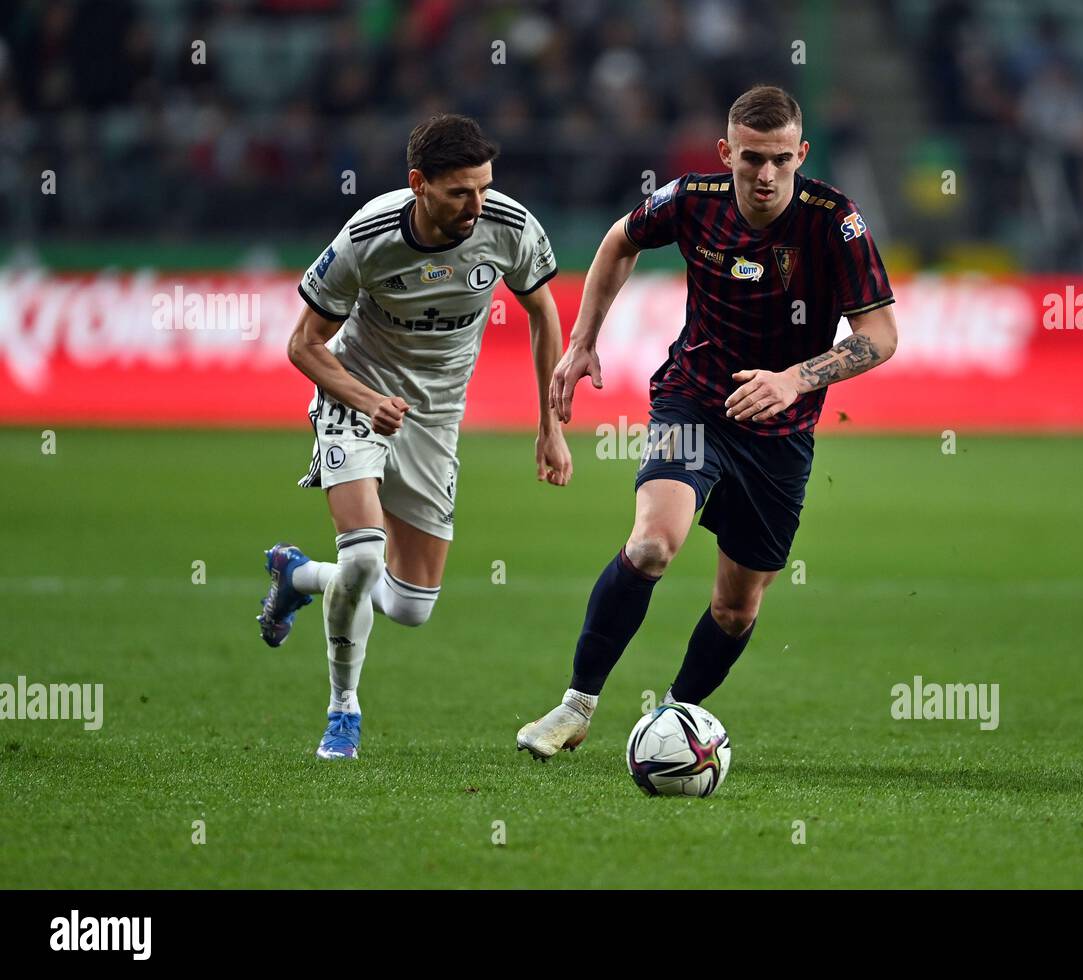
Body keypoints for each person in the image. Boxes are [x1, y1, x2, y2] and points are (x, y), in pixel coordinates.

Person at [518, 85, 897, 759]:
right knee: (652, 545)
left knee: (736, 608)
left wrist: (794, 380)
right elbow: (619, 241)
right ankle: (576, 704)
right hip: (693, 401)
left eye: (781, 159)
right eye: (751, 158)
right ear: (727, 153)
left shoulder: (835, 221)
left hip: (781, 433)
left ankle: (675, 720)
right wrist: (582, 340)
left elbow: (881, 334)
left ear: (802, 153)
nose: (766, 174)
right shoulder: (693, 199)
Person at [258, 114, 572, 759]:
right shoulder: (368, 238)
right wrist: (366, 398)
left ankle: (299, 574)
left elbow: (544, 312)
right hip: (357, 396)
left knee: (410, 607)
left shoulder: (509, 227)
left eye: (484, 188)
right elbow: (303, 345)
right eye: (460, 192)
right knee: (366, 556)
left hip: (435, 417)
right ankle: (343, 711)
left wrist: (550, 423)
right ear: (419, 185)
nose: (476, 205)